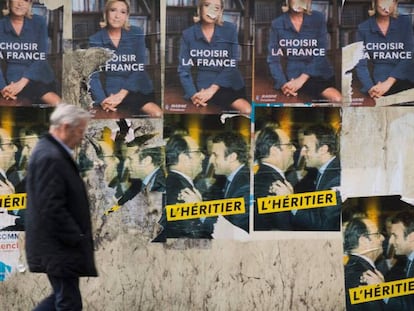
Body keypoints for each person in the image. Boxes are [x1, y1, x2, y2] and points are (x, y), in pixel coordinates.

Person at [25, 104, 97, 310]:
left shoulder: (52, 152)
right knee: (68, 302)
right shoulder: (50, 157)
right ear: (65, 127)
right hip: (59, 247)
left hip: (58, 247)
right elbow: (50, 206)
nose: (82, 137)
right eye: (80, 131)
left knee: (61, 298)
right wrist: (76, 236)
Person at [89, 0, 161, 117]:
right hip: (113, 92)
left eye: (122, 12)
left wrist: (122, 94)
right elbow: (93, 75)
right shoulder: (96, 39)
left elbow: (139, 67)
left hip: (138, 88)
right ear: (106, 13)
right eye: (113, 10)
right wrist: (102, 100)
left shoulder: (136, 33)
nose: (117, 16)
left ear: (127, 16)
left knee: (156, 113)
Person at [178, 0, 251, 114]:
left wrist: (212, 89)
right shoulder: (188, 34)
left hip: (232, 83)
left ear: (220, 11)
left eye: (216, 8)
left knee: (246, 111)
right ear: (200, 8)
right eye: (207, 6)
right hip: (205, 86)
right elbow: (183, 70)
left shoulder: (230, 29)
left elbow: (233, 63)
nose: (211, 11)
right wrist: (193, 95)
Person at [267, 0, 342, 102]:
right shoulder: (277, 24)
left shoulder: (318, 18)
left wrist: (301, 79)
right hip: (295, 74)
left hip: (320, 71)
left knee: (337, 99)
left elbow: (321, 52)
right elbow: (273, 59)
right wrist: (283, 84)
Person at [0, 0, 61, 105]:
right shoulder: (1, 25)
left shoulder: (39, 22)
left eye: (25, 0)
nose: (21, 3)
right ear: (8, 2)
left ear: (30, 3)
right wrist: (2, 87)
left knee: (55, 102)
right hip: (12, 79)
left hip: (39, 75)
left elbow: (41, 57)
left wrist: (22, 83)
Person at [355, 0, 414, 99]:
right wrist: (370, 88)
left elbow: (410, 54)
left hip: (406, 74)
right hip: (379, 79)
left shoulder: (405, 22)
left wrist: (389, 82)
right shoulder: (363, 28)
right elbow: (360, 64)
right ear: (375, 3)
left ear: (395, 4)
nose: (385, 6)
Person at [291, 123, 341, 231]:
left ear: (323, 149)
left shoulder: (336, 179)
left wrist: (290, 202)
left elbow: (324, 224)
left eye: (306, 148)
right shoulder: (322, 171)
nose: (302, 152)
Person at [164, 134, 215, 238]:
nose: (203, 156)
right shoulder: (182, 193)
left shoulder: (175, 184)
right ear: (183, 158)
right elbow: (194, 239)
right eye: (197, 152)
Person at [254, 125, 296, 230]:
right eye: (289, 145)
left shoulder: (264, 178)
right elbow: (284, 229)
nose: (294, 149)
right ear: (274, 151)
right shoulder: (272, 185)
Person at [210, 132, 249, 232]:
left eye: (215, 155)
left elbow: (233, 231)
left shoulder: (245, 187)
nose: (211, 160)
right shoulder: (225, 179)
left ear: (232, 157)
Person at [343, 217, 386, 311]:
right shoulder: (364, 276)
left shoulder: (354, 268)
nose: (383, 238)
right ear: (363, 240)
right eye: (377, 234)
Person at [387, 210, 414, 310]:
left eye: (395, 236)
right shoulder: (409, 260)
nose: (390, 241)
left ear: (411, 237)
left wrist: (380, 292)